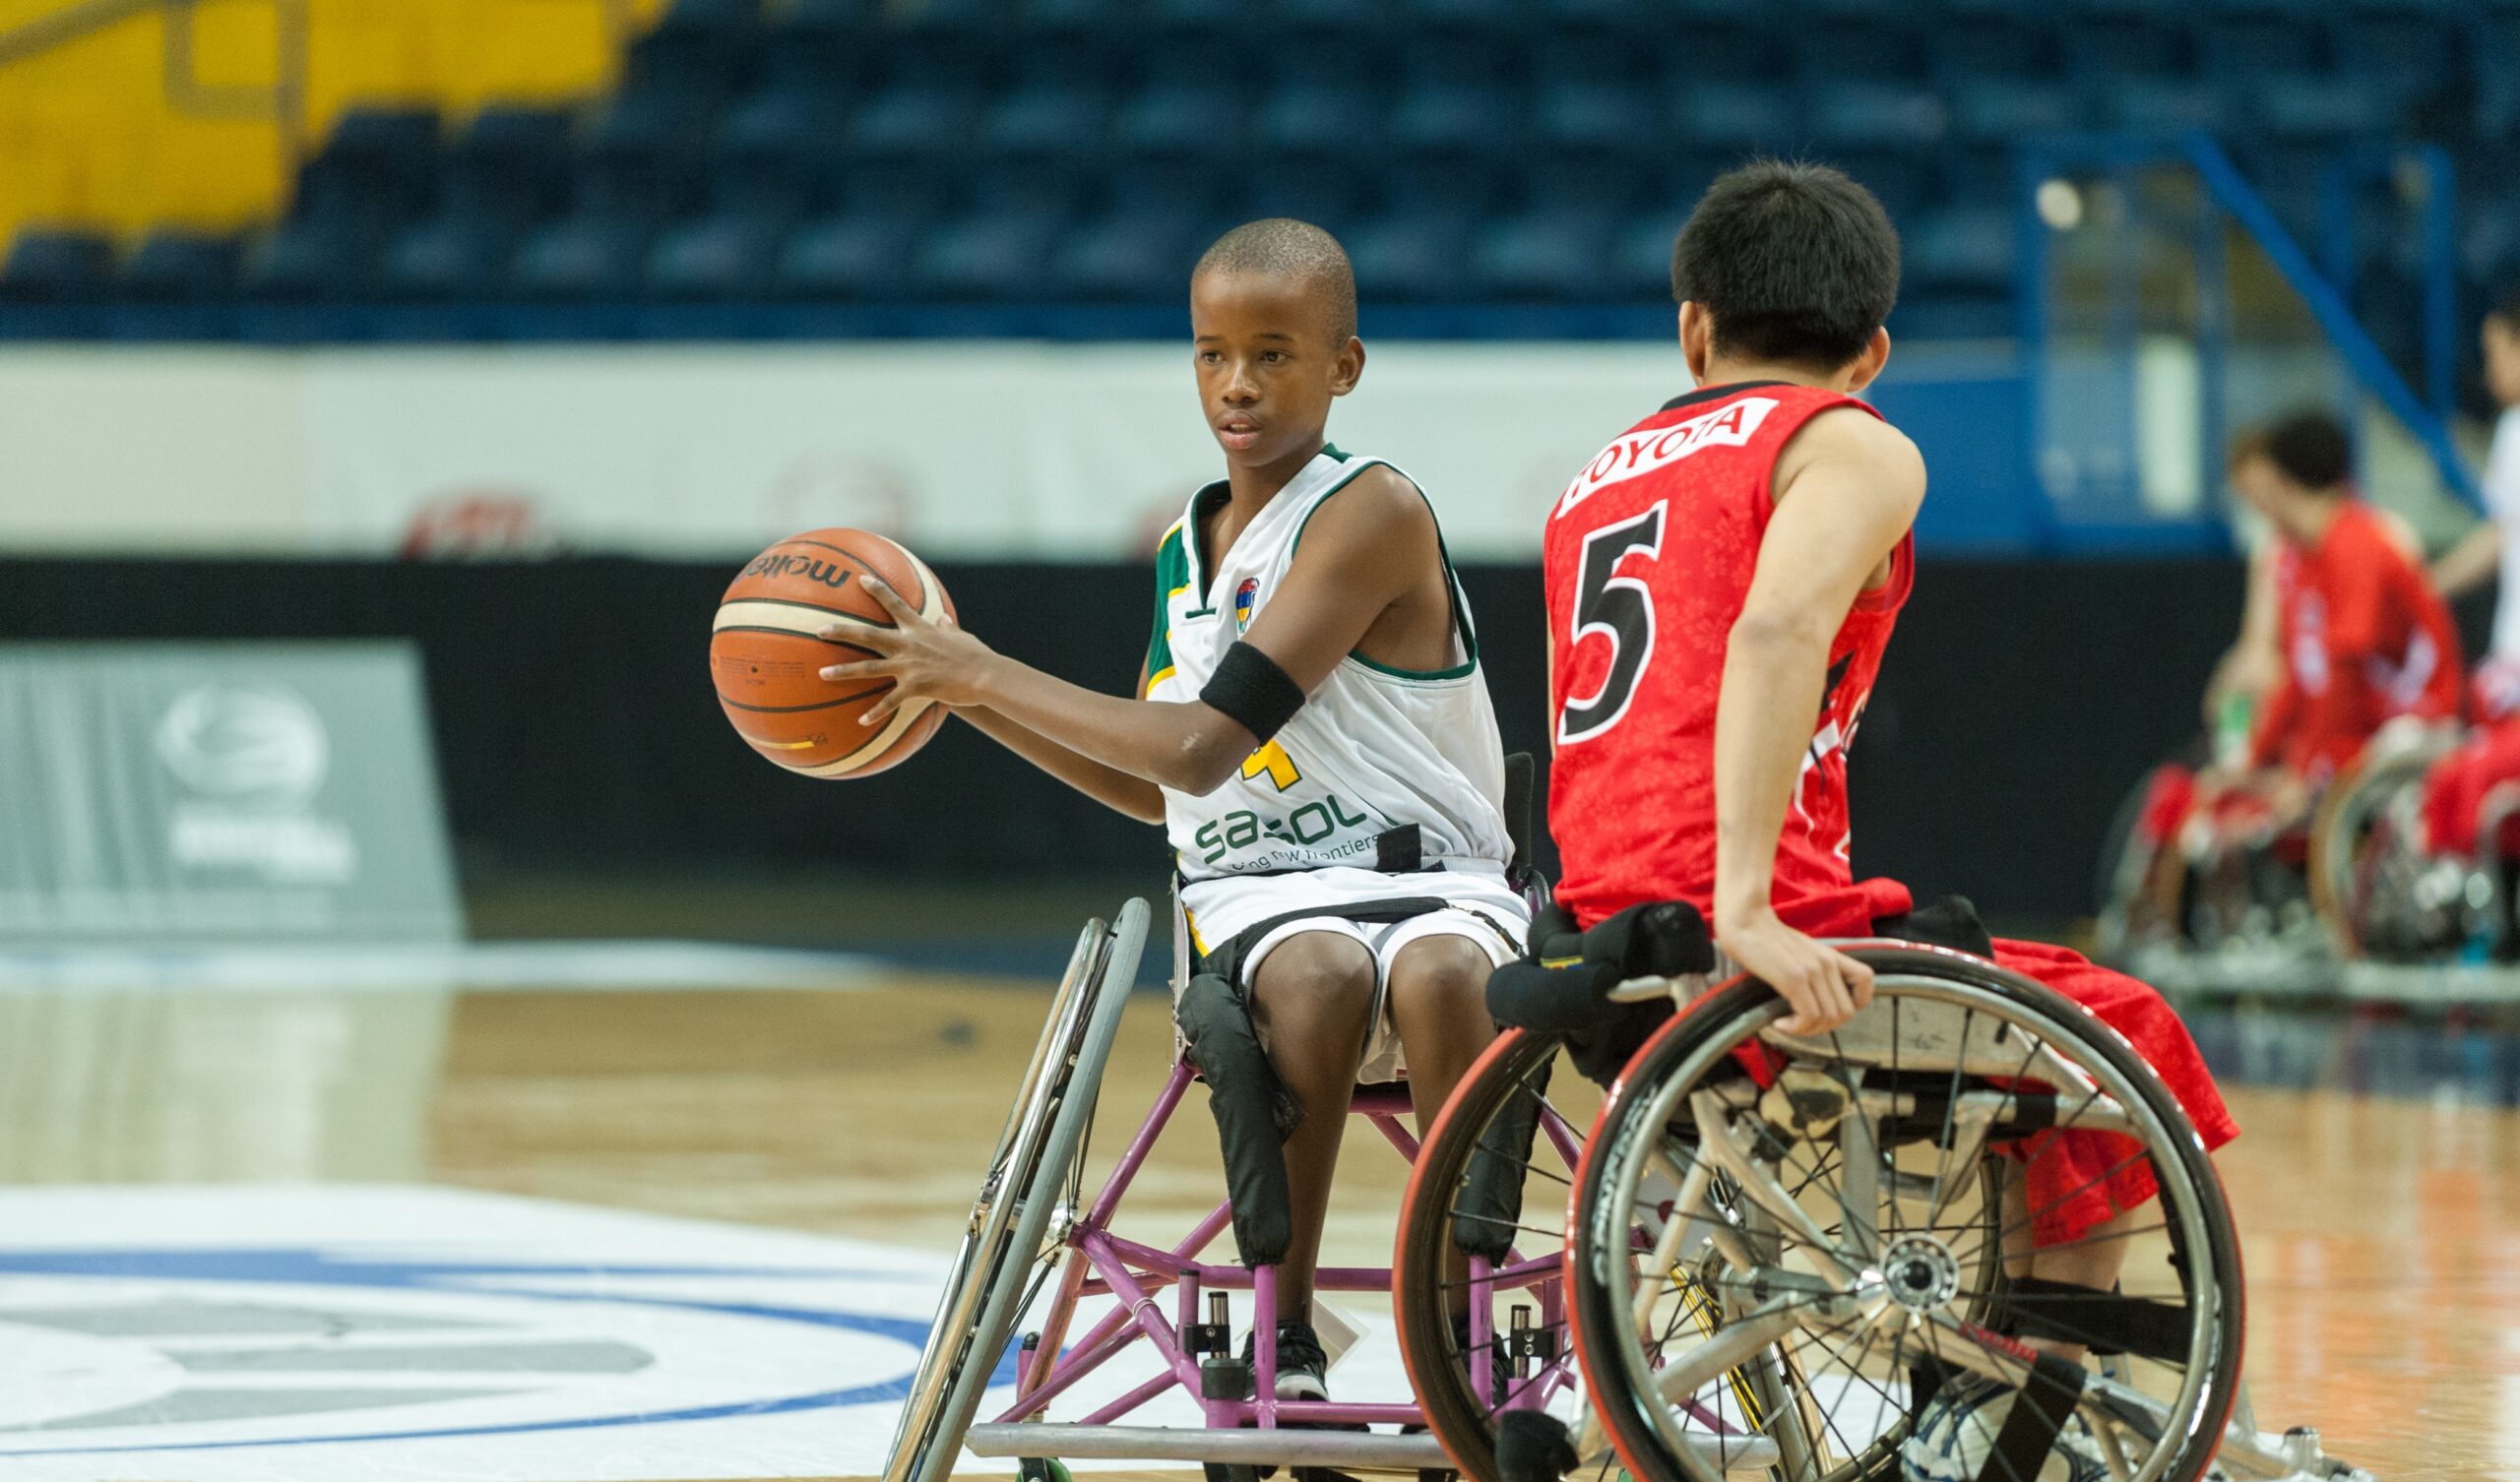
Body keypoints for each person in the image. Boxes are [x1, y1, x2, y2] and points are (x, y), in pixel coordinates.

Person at [1539, 160, 2238, 1482]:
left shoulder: (1599, 475)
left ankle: (1986, 1393)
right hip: (1734, 904)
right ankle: (2001, 1420)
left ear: (1694, 326)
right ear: (1872, 351)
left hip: (1599, 907)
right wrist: (1744, 905)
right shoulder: (1849, 440)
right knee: (2123, 1031)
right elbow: (1777, 626)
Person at [820, 218, 1530, 1403]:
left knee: (1443, 974)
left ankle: (1459, 1334)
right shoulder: (1178, 551)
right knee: (1315, 975)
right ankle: (1283, 1330)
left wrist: (982, 669)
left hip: (1440, 878)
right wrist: (960, 697)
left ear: (1342, 367)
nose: (1237, 385)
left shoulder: (1371, 511)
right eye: (1210, 355)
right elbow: (1167, 789)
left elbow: (1201, 747)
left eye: (1272, 353)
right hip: (1264, 898)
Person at [2420, 286, 2520, 864]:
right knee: (2465, 781)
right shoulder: (2512, 435)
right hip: (2510, 665)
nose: (2488, 374)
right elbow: (2501, 536)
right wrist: (2425, 586)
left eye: (2495, 354)